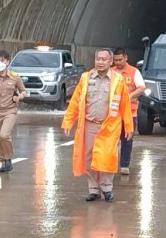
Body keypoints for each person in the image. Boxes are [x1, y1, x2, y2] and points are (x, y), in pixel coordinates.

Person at [61, 48, 134, 202]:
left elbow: (125, 105)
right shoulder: (86, 78)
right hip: (89, 125)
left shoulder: (118, 80)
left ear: (110, 61)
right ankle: (93, 189)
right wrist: (68, 121)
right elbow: (75, 101)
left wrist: (128, 126)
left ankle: (107, 188)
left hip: (109, 127)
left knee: (107, 157)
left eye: (104, 59)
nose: (100, 62)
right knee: (88, 157)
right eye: (98, 59)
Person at [0, 50, 26, 173]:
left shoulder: (14, 76)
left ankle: (8, 158)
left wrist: (19, 97)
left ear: (7, 61)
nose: (0, 63)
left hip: (10, 111)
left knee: (4, 135)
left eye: (2, 60)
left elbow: (23, 91)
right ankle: (3, 162)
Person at [112, 48, 146, 175]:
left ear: (125, 57)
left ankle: (124, 165)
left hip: (130, 114)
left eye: (120, 59)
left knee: (127, 140)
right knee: (111, 140)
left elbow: (142, 87)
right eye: (115, 60)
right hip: (113, 114)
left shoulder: (134, 72)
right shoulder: (111, 72)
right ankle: (110, 164)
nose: (118, 62)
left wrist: (130, 96)